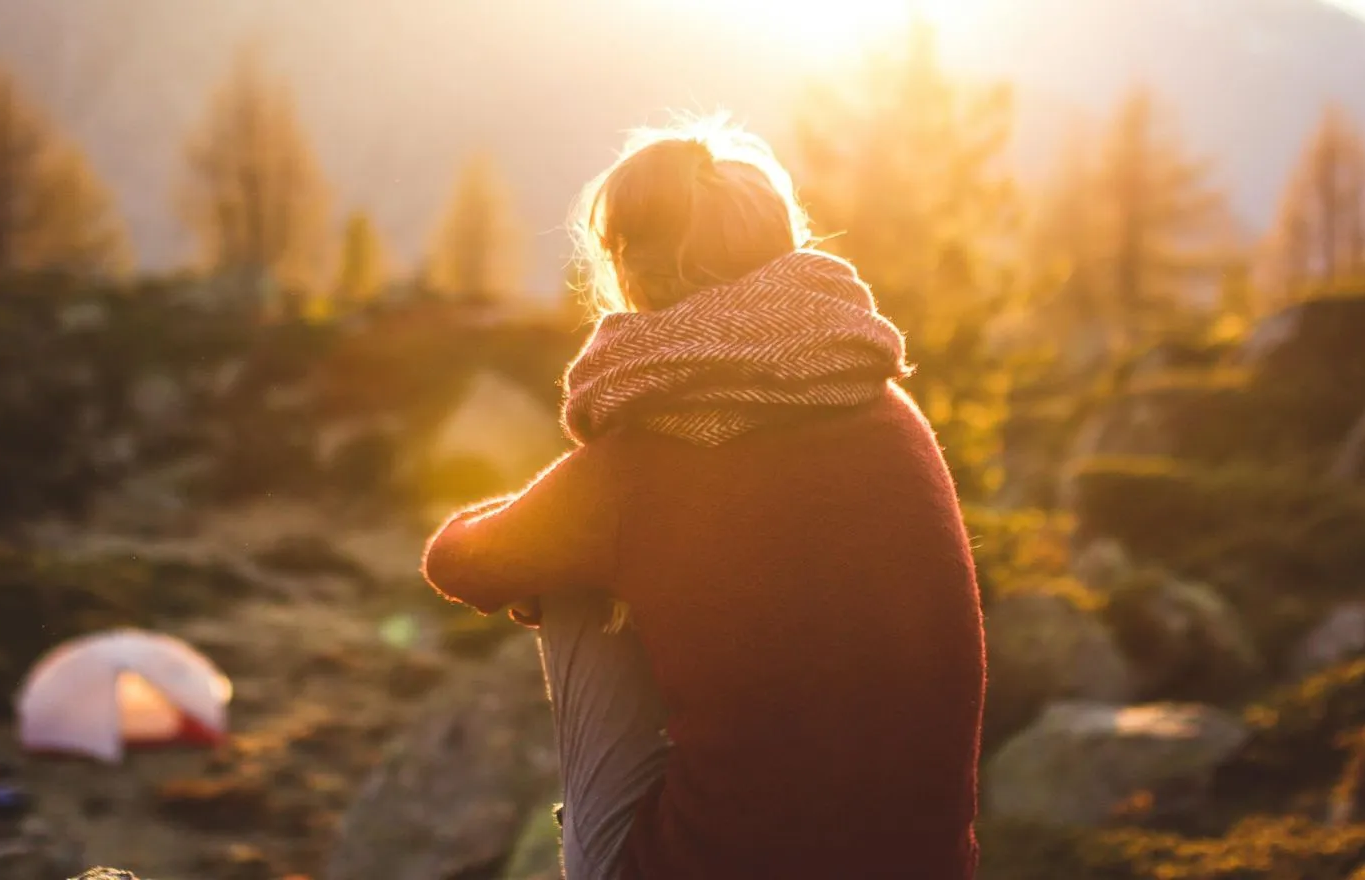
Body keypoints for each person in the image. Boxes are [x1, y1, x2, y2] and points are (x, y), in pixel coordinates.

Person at [420, 115, 986, 880]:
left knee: (571, 577)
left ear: (632, 273)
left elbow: (459, 561)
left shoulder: (642, 462)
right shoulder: (886, 406)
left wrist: (575, 542)